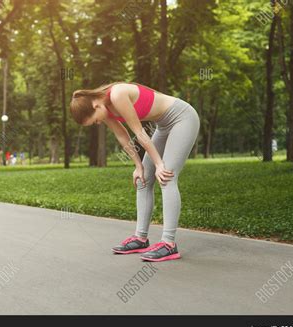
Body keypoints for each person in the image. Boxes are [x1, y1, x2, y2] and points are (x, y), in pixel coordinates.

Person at [70, 82, 200, 262]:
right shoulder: (104, 108)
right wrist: (138, 166)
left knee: (166, 177)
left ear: (95, 105)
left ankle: (169, 244)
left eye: (95, 120)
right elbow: (122, 135)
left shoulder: (117, 95)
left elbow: (139, 132)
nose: (98, 123)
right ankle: (140, 238)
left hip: (182, 118)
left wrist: (158, 163)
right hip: (163, 126)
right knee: (143, 179)